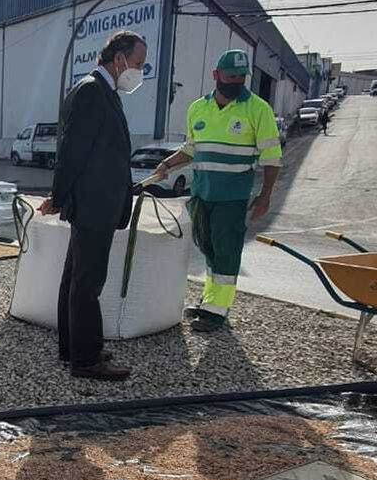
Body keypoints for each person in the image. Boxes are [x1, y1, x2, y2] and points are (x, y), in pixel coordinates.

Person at [147, 48, 282, 333]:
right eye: (231, 76)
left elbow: (272, 158)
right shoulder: (198, 108)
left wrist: (265, 195)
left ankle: (218, 310)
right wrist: (167, 165)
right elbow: (191, 149)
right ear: (216, 75)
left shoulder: (258, 109)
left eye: (241, 77)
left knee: (226, 251)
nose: (236, 81)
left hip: (232, 198)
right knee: (208, 249)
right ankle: (210, 301)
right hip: (202, 194)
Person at [38, 30, 141, 381]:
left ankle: (73, 348)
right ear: (119, 59)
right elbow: (72, 152)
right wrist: (59, 195)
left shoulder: (102, 92)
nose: (139, 72)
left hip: (99, 202)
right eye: (138, 64)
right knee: (87, 282)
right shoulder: (92, 92)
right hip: (94, 205)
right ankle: (86, 359)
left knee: (75, 278)